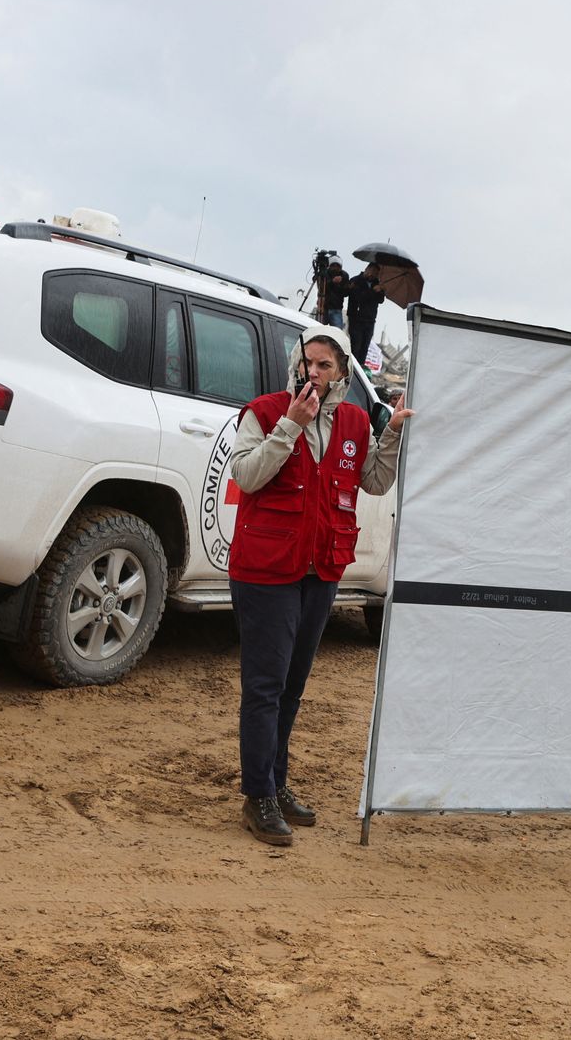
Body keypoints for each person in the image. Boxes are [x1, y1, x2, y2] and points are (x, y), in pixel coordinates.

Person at [228, 325, 411, 846]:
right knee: (264, 687)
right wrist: (289, 426)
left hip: (320, 571)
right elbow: (247, 476)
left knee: (292, 686)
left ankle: (276, 783)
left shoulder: (354, 419)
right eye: (307, 362)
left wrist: (393, 432)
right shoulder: (264, 412)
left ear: (343, 371)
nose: (314, 372)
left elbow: (373, 481)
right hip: (266, 570)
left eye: (325, 365)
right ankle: (257, 795)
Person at [345, 263, 384, 367]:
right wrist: (372, 291)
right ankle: (352, 367)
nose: (373, 275)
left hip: (370, 319)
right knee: (356, 345)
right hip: (356, 318)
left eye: (376, 273)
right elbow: (359, 297)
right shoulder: (356, 280)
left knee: (365, 346)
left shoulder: (377, 283)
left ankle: (360, 367)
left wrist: (380, 290)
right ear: (366, 269)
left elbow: (381, 300)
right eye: (371, 271)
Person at [317, 256, 350, 328]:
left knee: (337, 332)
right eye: (333, 265)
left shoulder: (344, 275)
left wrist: (341, 284)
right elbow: (321, 288)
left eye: (337, 266)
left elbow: (345, 293)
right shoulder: (324, 274)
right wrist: (332, 282)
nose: (335, 268)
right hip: (323, 308)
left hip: (336, 308)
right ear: (329, 266)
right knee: (319, 329)